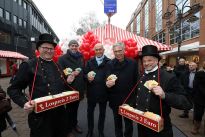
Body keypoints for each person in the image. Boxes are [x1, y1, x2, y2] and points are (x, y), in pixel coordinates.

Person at [7, 33, 69, 137]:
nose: (49, 51)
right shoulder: (29, 65)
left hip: (59, 114)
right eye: (45, 47)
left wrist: (68, 81)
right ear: (38, 48)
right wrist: (24, 103)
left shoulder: (57, 65)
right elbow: (13, 89)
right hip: (41, 117)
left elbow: (60, 85)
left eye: (51, 48)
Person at [135, 45, 192, 137]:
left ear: (157, 60)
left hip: (160, 129)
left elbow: (187, 102)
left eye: (149, 60)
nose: (146, 63)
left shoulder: (168, 77)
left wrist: (164, 95)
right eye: (144, 61)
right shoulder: (141, 76)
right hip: (142, 124)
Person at [105, 42, 138, 137]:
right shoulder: (110, 64)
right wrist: (107, 83)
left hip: (129, 99)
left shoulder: (132, 63)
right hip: (115, 99)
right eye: (115, 51)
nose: (118, 53)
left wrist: (135, 98)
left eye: (120, 51)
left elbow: (136, 80)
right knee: (117, 122)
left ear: (124, 50)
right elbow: (106, 78)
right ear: (113, 52)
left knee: (128, 123)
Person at [58, 39, 86, 137]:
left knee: (75, 109)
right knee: (69, 110)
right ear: (69, 47)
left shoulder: (81, 57)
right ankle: (68, 129)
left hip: (79, 88)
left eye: (75, 45)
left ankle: (74, 125)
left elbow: (83, 71)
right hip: (68, 88)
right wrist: (67, 78)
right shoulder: (62, 58)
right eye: (72, 45)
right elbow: (60, 74)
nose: (74, 47)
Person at [84, 43, 110, 137]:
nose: (98, 51)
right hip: (92, 92)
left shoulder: (109, 62)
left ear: (103, 50)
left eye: (100, 49)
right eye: (96, 50)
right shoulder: (90, 62)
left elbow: (111, 75)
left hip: (104, 92)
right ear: (94, 51)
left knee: (102, 113)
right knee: (89, 112)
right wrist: (87, 77)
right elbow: (84, 74)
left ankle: (100, 131)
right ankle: (90, 130)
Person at [191, 60, 205, 135]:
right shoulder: (200, 73)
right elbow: (196, 85)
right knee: (198, 114)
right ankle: (196, 127)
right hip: (200, 97)